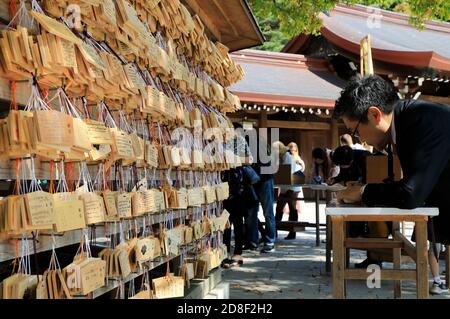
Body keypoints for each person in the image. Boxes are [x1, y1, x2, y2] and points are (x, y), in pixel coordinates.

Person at [333, 74, 450, 295]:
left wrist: (363, 192)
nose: (360, 140)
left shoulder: (422, 120)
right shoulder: (408, 121)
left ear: (374, 114)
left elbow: (411, 194)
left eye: (355, 131)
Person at [273, 141, 305, 240]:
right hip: (285, 185)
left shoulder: (287, 156)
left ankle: (292, 232)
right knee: (279, 208)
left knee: (292, 208)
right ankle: (275, 230)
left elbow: (288, 171)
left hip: (291, 185)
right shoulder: (283, 157)